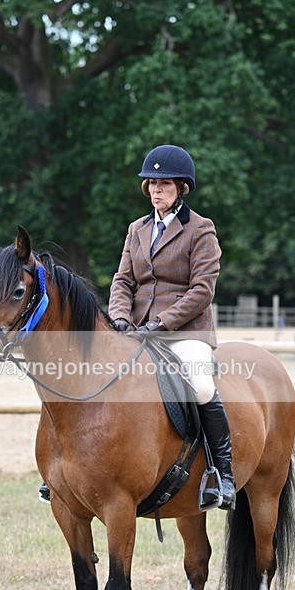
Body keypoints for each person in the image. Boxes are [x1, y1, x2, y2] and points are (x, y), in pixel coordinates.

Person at [108, 144, 236, 511]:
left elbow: (202, 290)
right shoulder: (137, 229)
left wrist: (161, 323)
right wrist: (120, 317)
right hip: (136, 328)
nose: (156, 190)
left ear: (181, 187)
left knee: (200, 384)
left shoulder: (201, 229)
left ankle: (221, 474)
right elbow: (122, 281)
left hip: (184, 332)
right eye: (151, 183)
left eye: (164, 184)